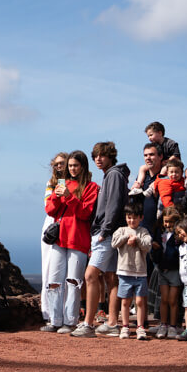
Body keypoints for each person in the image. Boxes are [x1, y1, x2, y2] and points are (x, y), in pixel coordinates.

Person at [73, 142, 130, 337]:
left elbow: (113, 206)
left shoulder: (113, 175)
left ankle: (88, 324)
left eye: (102, 155)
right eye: (96, 156)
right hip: (113, 232)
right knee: (111, 278)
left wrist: (104, 231)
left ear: (110, 156)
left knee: (90, 276)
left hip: (107, 233)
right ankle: (113, 324)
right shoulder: (113, 175)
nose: (98, 159)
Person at [42, 151, 99, 334]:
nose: (72, 169)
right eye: (70, 166)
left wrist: (69, 196)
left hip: (78, 239)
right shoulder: (61, 183)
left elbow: (85, 213)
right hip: (60, 238)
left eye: (75, 165)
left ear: (83, 166)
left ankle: (70, 320)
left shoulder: (91, 187)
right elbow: (50, 210)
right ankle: (54, 319)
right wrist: (58, 196)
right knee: (54, 280)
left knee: (74, 282)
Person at [112, 202, 153, 339]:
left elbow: (147, 245)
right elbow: (114, 243)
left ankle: (140, 327)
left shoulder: (144, 232)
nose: (131, 220)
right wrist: (126, 237)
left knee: (140, 301)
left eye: (134, 218)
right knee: (125, 301)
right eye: (129, 217)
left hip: (140, 272)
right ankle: (125, 326)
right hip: (124, 273)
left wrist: (137, 240)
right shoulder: (121, 230)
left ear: (141, 218)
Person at [40, 153, 70, 326]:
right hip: (52, 226)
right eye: (57, 164)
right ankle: (49, 311)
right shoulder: (51, 184)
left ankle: (66, 311)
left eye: (63, 163)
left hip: (69, 224)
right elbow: (48, 208)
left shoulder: (76, 183)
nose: (59, 167)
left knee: (67, 272)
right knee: (49, 267)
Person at [153, 206, 183, 338]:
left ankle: (173, 326)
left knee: (173, 300)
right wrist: (156, 249)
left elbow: (178, 252)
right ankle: (163, 324)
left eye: (171, 222)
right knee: (164, 299)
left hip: (175, 270)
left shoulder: (178, 236)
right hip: (162, 270)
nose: (168, 224)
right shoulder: (159, 233)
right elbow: (155, 252)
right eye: (166, 221)